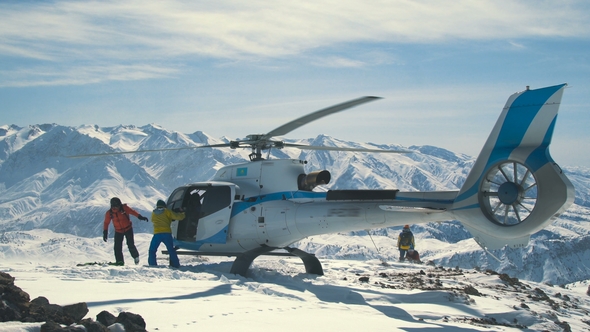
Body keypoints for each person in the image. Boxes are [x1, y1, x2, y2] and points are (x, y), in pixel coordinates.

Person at [103, 197, 149, 266]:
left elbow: (132, 212)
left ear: (120, 205)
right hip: (118, 231)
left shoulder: (124, 208)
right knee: (117, 247)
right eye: (114, 207)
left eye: (117, 206)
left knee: (130, 244)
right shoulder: (109, 213)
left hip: (128, 229)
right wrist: (105, 232)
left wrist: (140, 217)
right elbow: (106, 223)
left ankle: (135, 256)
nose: (115, 208)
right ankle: (120, 261)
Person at [149, 199, 186, 268]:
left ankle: (152, 264)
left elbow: (152, 220)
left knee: (152, 250)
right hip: (166, 233)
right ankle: (176, 265)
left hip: (157, 234)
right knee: (171, 250)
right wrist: (183, 213)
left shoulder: (153, 213)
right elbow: (178, 217)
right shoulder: (166, 211)